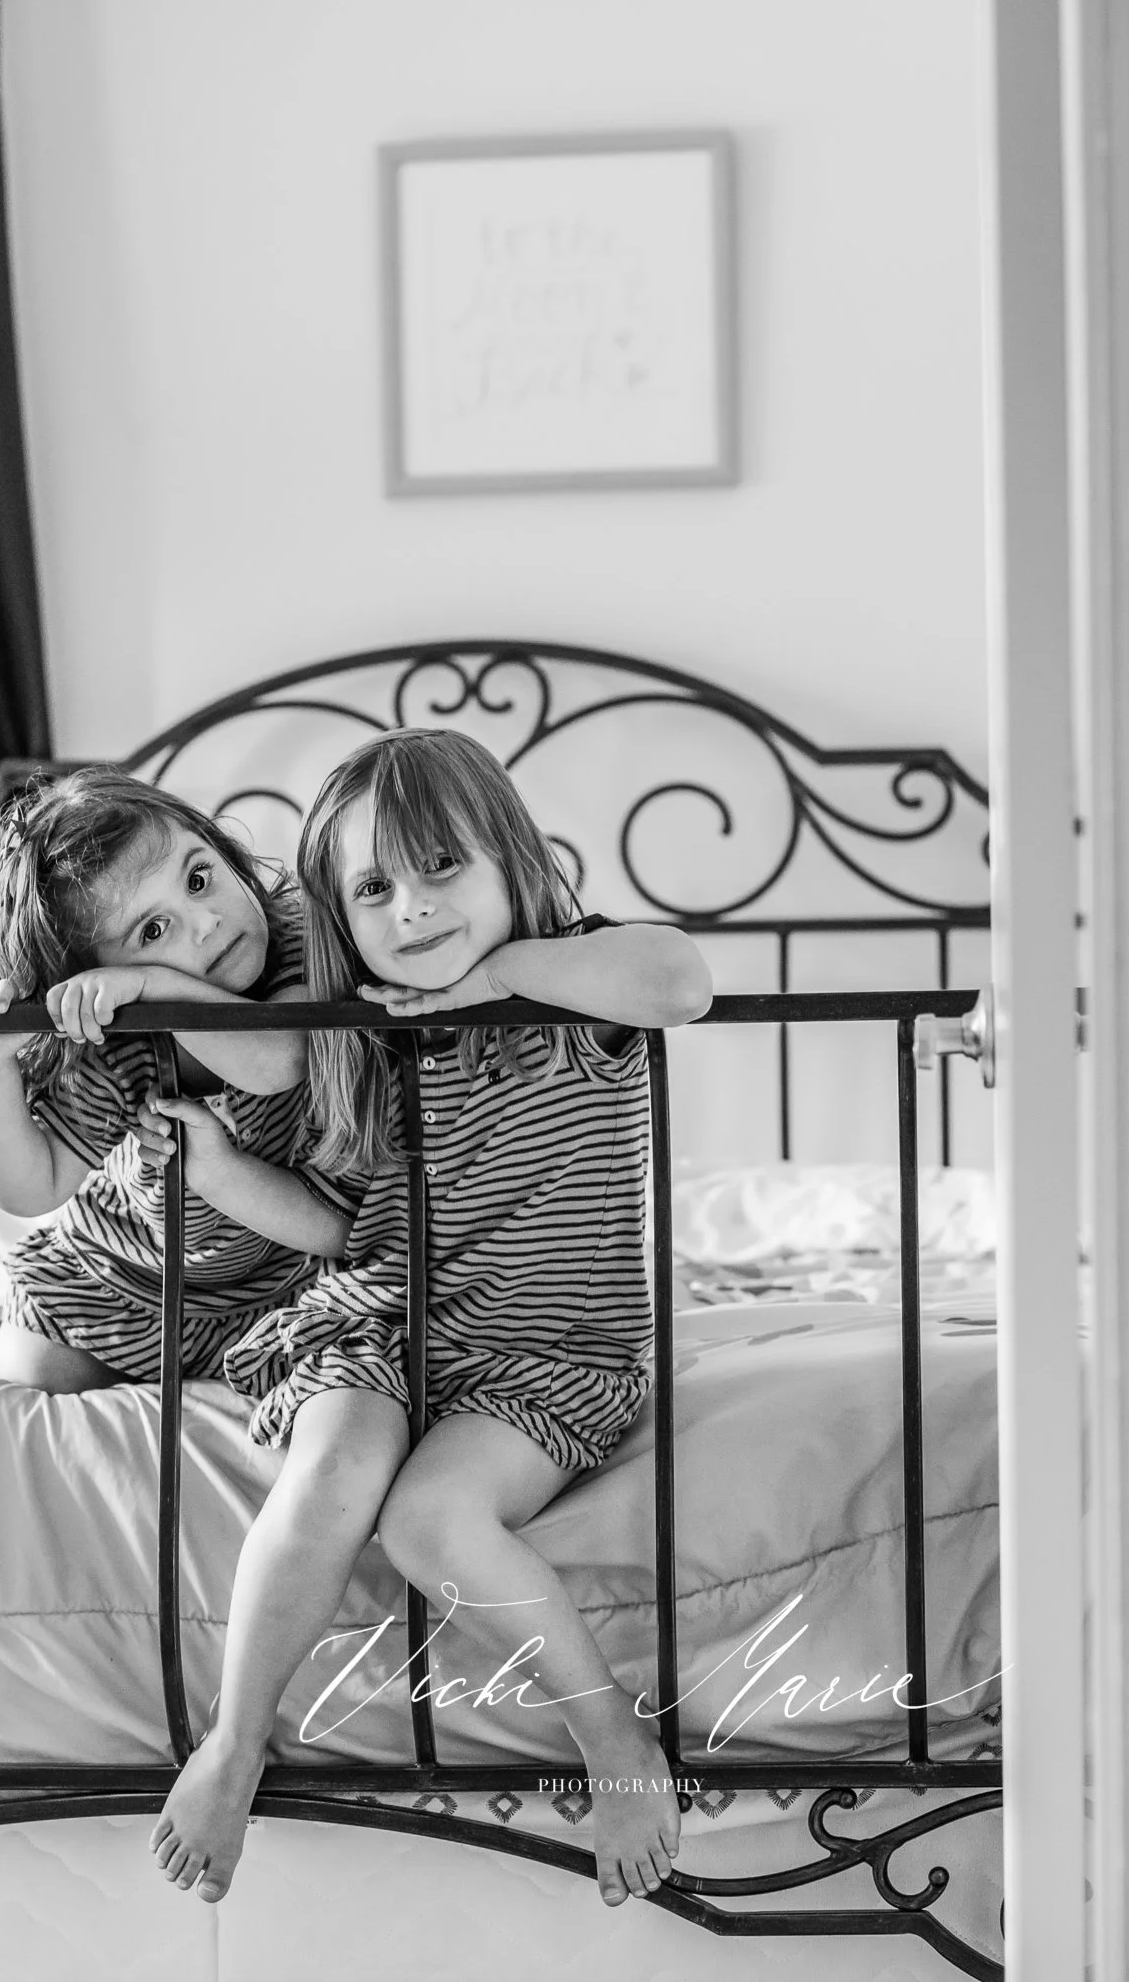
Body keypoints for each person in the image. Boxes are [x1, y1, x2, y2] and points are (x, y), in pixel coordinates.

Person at [150, 727, 714, 1908]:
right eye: (373, 888)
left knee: (431, 1519)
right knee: (336, 1464)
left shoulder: (580, 983)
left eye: (441, 866)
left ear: (512, 859)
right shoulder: (370, 1026)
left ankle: (609, 1731)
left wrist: (494, 975)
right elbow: (323, 1211)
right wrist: (195, 1121)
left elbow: (684, 981)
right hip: (390, 1319)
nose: (411, 908)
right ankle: (235, 1736)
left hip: (546, 1350)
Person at [0, 768, 356, 1391]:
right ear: (90, 976)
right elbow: (32, 1187)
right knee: (29, 1378)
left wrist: (158, 982)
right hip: (124, 1277)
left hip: (284, 1275)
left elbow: (280, 1060)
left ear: (224, 851)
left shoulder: (303, 942)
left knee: (362, 1353)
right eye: (153, 931)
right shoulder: (115, 1039)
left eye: (199, 879)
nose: (206, 922)